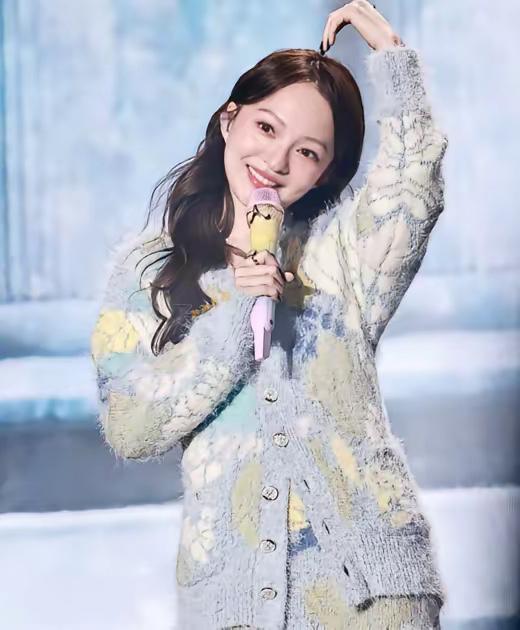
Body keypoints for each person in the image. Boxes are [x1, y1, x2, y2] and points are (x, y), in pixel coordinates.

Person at [90, 1, 448, 628]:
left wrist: (393, 58)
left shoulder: (340, 259)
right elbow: (131, 426)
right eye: (265, 127)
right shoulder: (150, 271)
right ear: (228, 120)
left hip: (373, 597)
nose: (277, 161)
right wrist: (235, 314)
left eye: (307, 152)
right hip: (232, 601)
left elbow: (411, 186)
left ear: (324, 174)